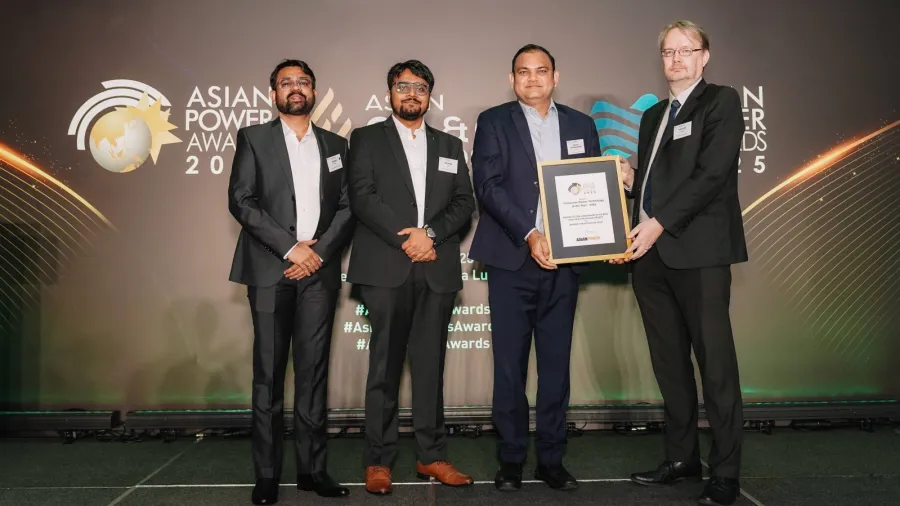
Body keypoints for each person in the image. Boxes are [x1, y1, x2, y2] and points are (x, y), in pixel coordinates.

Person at [613, 20, 747, 506]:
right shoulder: (654, 115)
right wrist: (630, 185)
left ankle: (725, 472)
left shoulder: (721, 102)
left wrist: (658, 223)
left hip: (699, 253)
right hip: (650, 257)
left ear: (704, 56)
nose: (675, 59)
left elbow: (710, 176)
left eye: (685, 50)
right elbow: (660, 180)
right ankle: (682, 457)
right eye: (668, 51)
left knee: (715, 365)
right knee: (669, 364)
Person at [468, 44, 603, 492]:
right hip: (512, 260)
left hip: (565, 263)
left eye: (540, 70)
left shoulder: (582, 125)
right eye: (523, 72)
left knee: (556, 368)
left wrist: (602, 235)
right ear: (512, 80)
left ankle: (551, 459)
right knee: (509, 367)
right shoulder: (493, 121)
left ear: (555, 77)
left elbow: (593, 188)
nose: (532, 78)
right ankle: (510, 459)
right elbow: (487, 186)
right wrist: (530, 234)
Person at [346, 59, 476, 495]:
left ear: (429, 95)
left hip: (436, 268)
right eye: (403, 86)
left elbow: (464, 202)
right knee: (383, 369)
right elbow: (363, 197)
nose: (411, 94)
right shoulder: (366, 139)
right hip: (387, 267)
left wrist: (430, 234)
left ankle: (431, 455)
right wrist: (409, 239)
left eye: (420, 87)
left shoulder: (449, 145)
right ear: (390, 93)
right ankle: (378, 460)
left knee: (430, 368)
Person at [228, 59, 354, 505]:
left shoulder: (337, 144)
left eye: (303, 82)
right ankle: (266, 475)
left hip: (318, 272)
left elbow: (348, 206)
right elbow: (241, 200)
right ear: (273, 94)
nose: (295, 88)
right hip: (270, 269)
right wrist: (290, 248)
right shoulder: (254, 138)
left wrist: (316, 254)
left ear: (314, 91)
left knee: (313, 374)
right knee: (268, 375)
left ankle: (312, 470)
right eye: (286, 83)